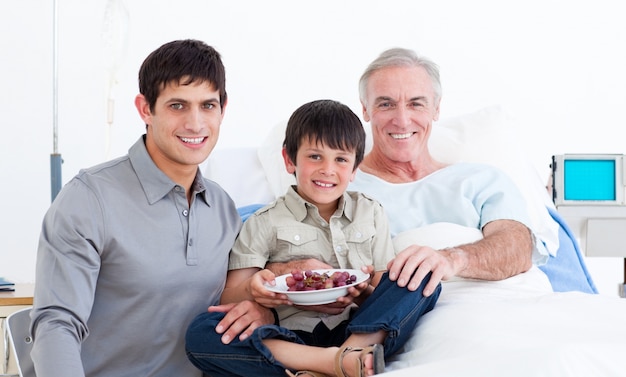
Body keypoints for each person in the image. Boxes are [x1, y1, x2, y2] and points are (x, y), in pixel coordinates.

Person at [30, 39, 273, 377]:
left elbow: (236, 300)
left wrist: (262, 313)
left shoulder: (222, 207)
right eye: (177, 106)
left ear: (223, 108)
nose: (195, 124)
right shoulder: (88, 199)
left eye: (207, 105)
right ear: (145, 109)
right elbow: (55, 325)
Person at [185, 99, 441, 377]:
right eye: (315, 156)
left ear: (355, 168)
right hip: (289, 337)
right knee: (203, 331)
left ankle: (345, 356)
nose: (327, 170)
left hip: (360, 329)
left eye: (341, 159)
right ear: (289, 160)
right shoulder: (264, 221)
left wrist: (360, 293)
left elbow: (383, 295)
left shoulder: (371, 212)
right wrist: (257, 290)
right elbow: (231, 294)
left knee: (422, 274)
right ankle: (332, 364)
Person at [346, 47, 550, 295]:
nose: (402, 120)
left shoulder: (482, 180)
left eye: (416, 104)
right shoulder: (340, 189)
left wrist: (452, 260)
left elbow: (517, 249)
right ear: (366, 110)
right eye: (386, 104)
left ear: (436, 108)